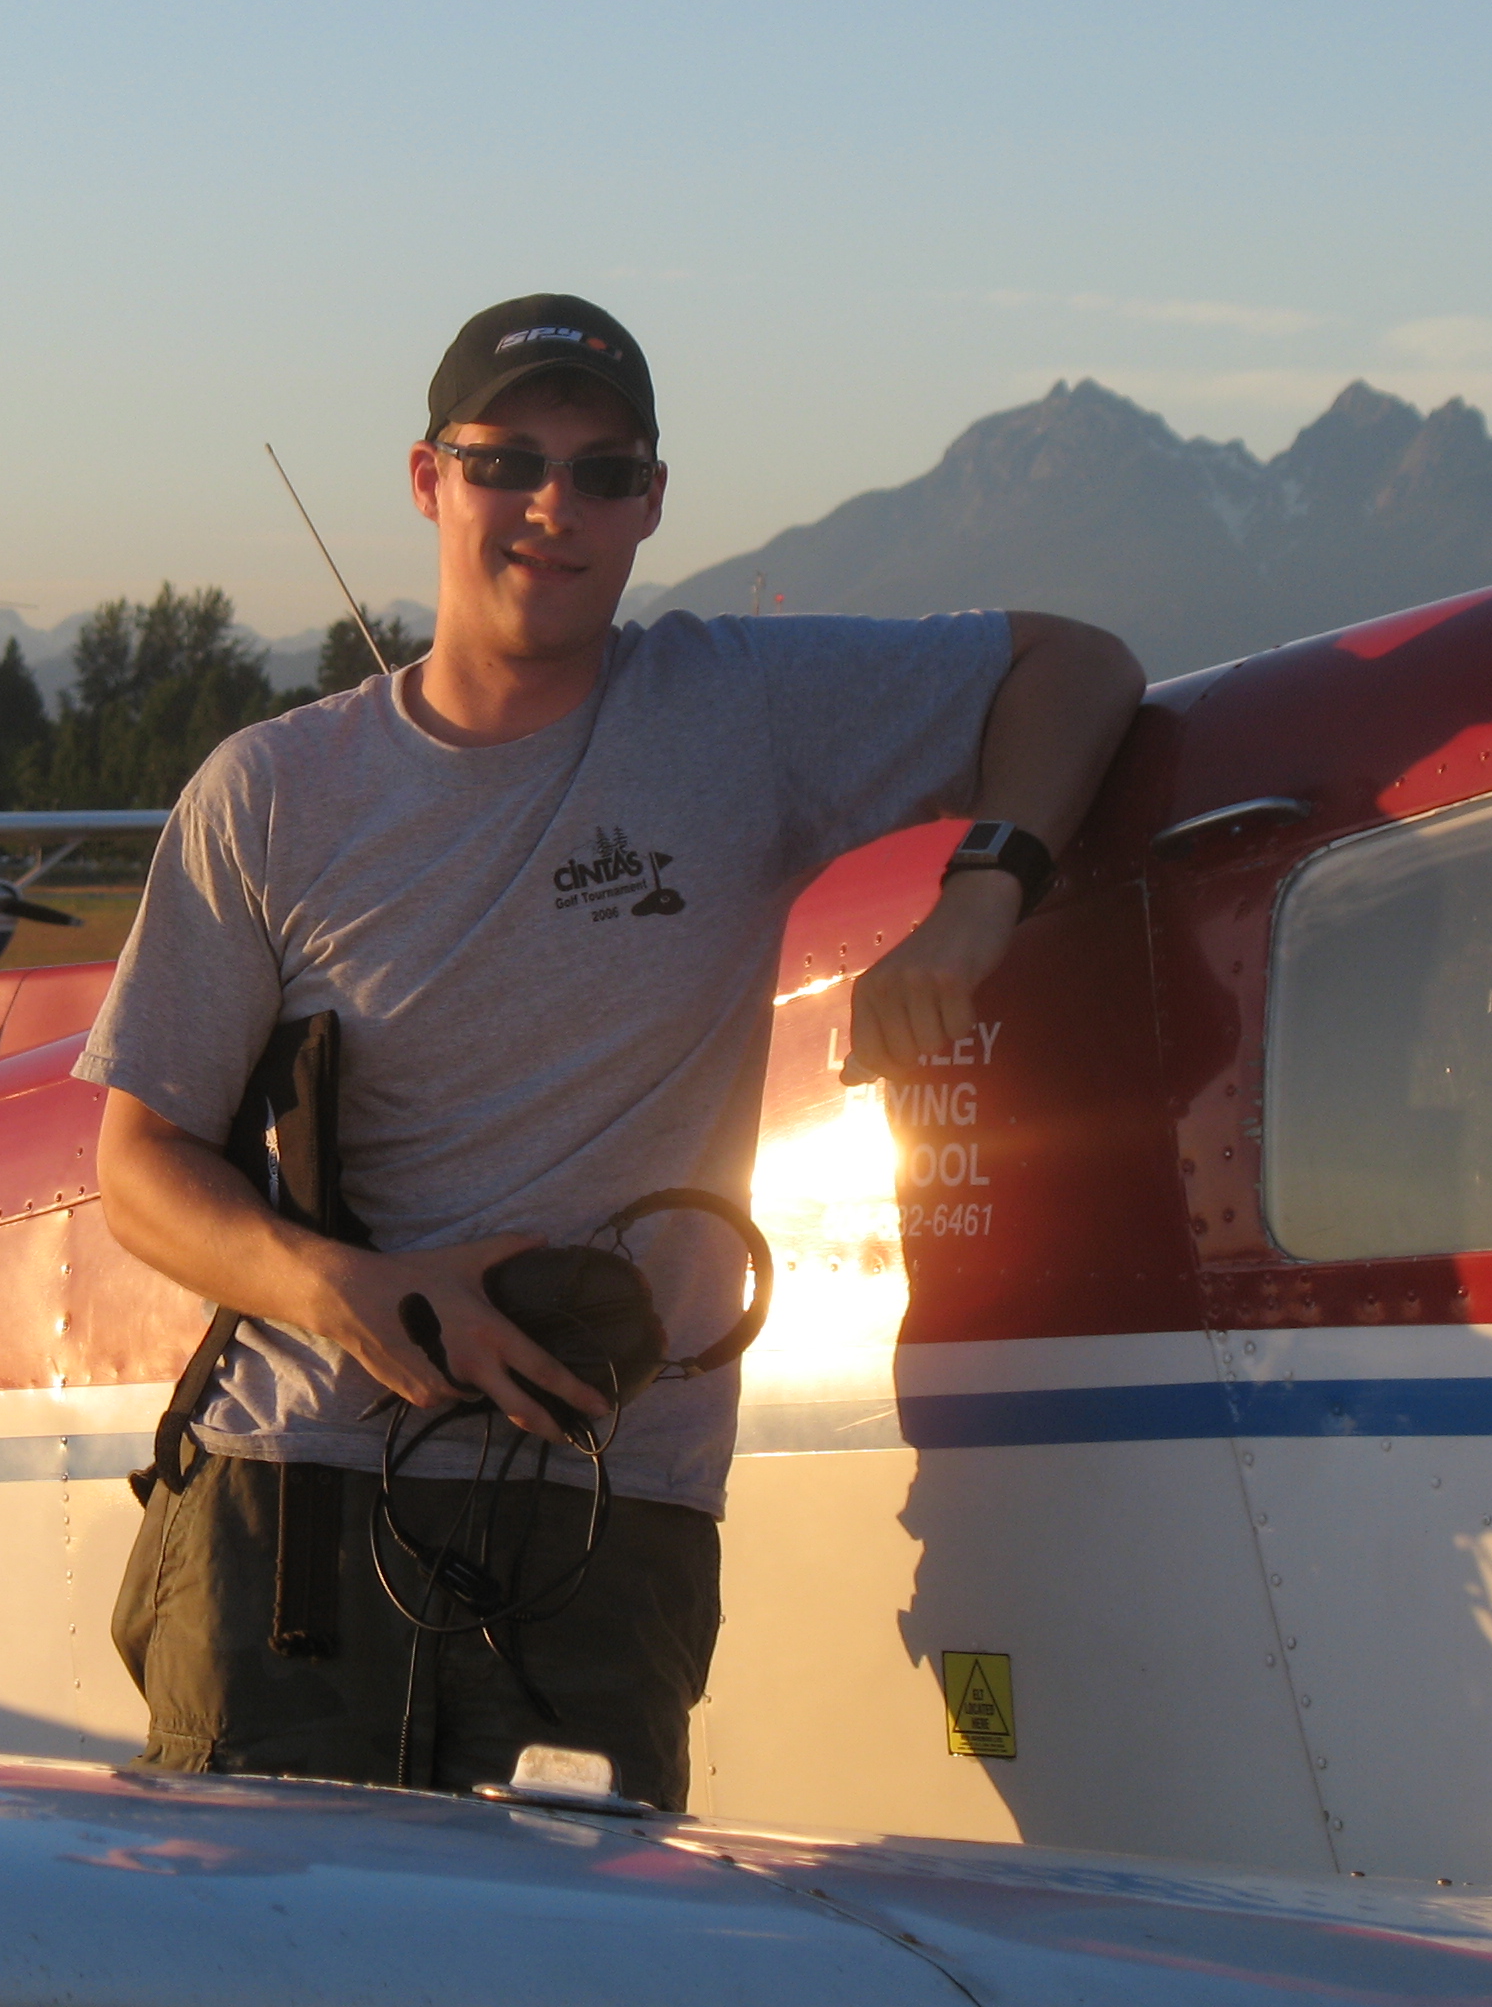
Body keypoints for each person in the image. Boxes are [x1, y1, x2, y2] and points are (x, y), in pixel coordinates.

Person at [80, 293, 1143, 1808]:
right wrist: (353, 1292)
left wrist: (980, 907)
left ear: (653, 503)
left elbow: (1078, 667)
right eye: (507, 460)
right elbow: (135, 1170)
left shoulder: (740, 711)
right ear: (427, 477)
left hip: (605, 1512)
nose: (551, 508)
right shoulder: (268, 792)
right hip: (293, 1509)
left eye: (603, 472)